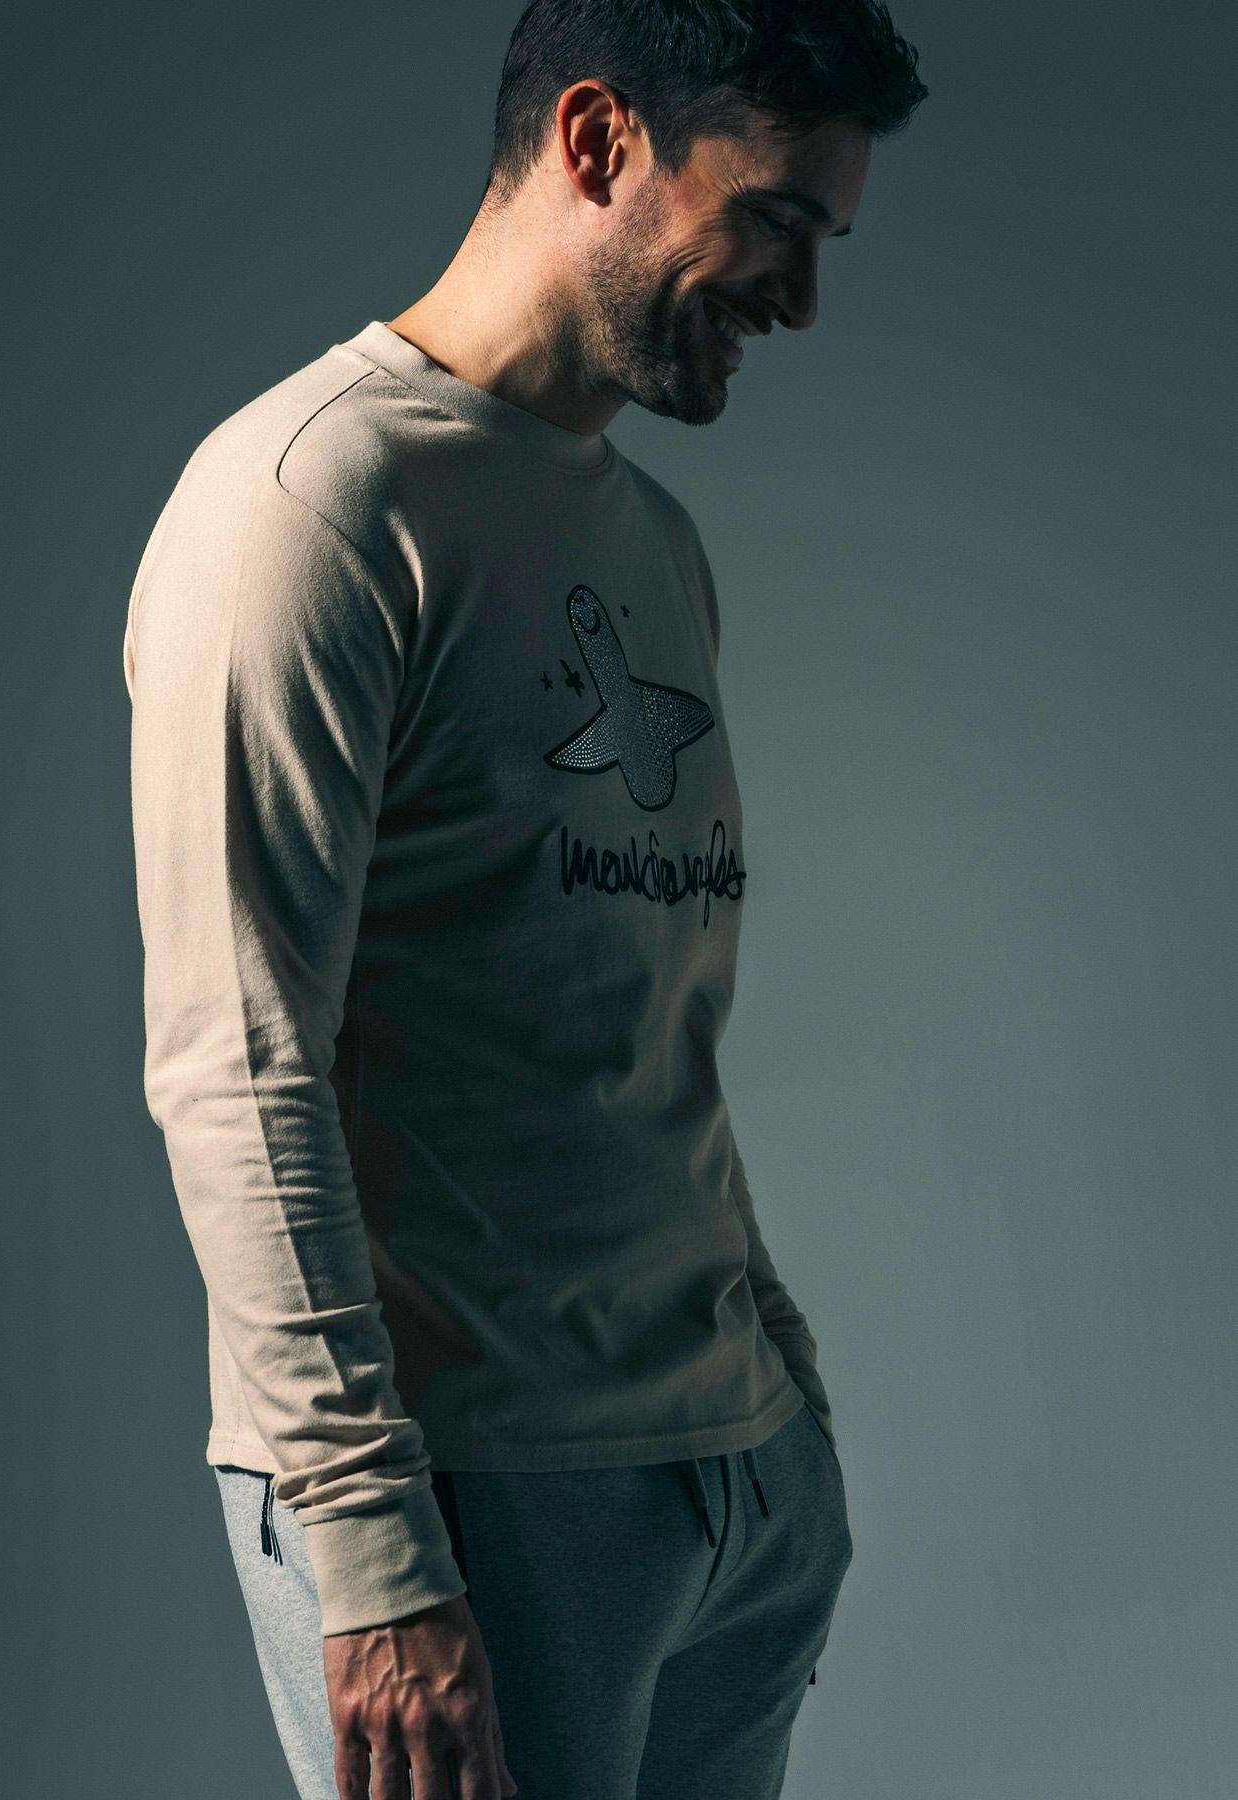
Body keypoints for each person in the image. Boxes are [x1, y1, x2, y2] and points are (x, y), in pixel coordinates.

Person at [122, 2, 927, 1795]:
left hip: (733, 1477)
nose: (802, 300)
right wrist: (371, 1554)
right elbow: (237, 1068)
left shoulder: (651, 542)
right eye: (776, 219)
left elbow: (635, 1018)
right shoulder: (308, 510)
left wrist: (780, 1387)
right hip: (478, 1506)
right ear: (597, 140)